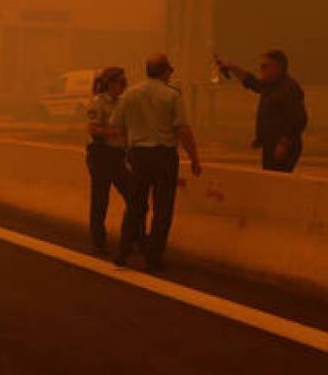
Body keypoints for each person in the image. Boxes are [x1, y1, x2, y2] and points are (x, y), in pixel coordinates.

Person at [111, 53, 201, 271]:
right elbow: (182, 130)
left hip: (138, 156)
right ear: (164, 71)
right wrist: (194, 157)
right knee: (163, 208)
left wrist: (129, 148)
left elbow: (117, 126)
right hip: (164, 157)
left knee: (135, 205)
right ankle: (153, 256)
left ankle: (123, 250)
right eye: (170, 70)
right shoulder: (172, 96)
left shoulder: (129, 95)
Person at [218, 50, 308, 172]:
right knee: (271, 179)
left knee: (278, 181)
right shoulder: (271, 85)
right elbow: (252, 82)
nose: (261, 69)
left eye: (265, 66)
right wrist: (233, 68)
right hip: (271, 144)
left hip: (283, 146)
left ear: (278, 67)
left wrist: (284, 143)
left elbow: (298, 119)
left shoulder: (288, 88)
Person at [85, 66, 130, 254]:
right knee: (100, 198)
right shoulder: (98, 103)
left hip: (117, 155)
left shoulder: (123, 103)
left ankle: (133, 236)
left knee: (132, 194)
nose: (124, 86)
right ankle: (98, 239)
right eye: (121, 82)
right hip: (101, 154)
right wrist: (116, 132)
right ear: (110, 84)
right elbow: (93, 129)